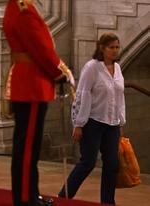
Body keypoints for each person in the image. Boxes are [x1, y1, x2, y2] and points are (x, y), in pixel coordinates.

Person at [0, 0, 74, 206]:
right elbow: (41, 49)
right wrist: (60, 72)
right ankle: (25, 199)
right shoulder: (23, 10)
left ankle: (31, 194)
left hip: (31, 83)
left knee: (29, 145)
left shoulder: (19, 7)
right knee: (27, 147)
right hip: (31, 83)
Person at [58, 33, 125, 204]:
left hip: (112, 124)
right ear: (102, 48)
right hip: (92, 122)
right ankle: (64, 196)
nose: (115, 50)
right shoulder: (92, 67)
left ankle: (108, 201)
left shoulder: (117, 68)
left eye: (117, 47)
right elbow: (82, 95)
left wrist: (120, 121)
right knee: (87, 162)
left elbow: (120, 96)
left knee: (112, 165)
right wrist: (78, 124)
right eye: (111, 47)